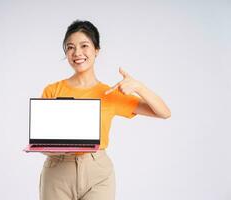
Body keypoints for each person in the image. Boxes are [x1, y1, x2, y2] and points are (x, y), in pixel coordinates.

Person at [39, 20, 171, 200]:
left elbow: (164, 113)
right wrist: (55, 150)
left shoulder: (110, 93)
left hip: (98, 173)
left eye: (84, 45)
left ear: (96, 50)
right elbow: (40, 142)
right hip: (58, 171)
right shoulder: (52, 91)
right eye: (70, 47)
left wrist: (139, 87)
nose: (77, 53)